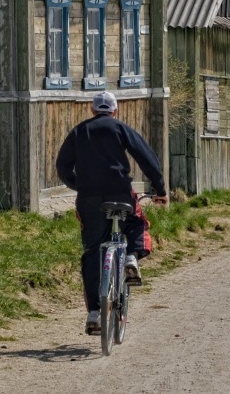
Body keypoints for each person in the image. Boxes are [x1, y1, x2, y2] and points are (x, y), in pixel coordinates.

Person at [55, 91, 168, 335]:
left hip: (89, 198)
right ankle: (130, 257)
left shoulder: (78, 131)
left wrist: (78, 184)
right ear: (115, 110)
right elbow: (146, 157)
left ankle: (95, 313)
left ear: (92, 110)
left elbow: (62, 166)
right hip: (119, 193)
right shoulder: (120, 128)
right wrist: (160, 189)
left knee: (93, 250)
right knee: (137, 222)